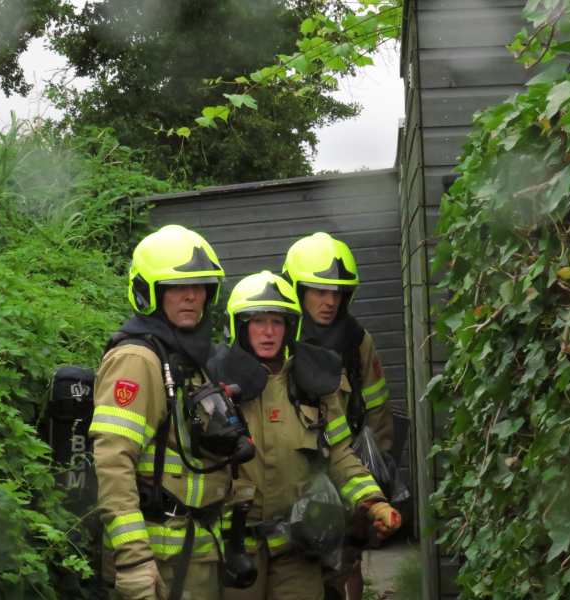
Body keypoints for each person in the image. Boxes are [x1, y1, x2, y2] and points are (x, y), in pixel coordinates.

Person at [207, 271, 401, 600]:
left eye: (277, 322)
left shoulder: (312, 386)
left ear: (290, 328)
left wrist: (373, 503)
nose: (268, 332)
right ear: (240, 326)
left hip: (297, 547)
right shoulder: (213, 387)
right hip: (234, 549)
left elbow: (340, 456)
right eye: (257, 322)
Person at [90, 225, 253, 600]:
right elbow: (113, 462)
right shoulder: (138, 358)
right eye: (178, 287)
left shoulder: (188, 358)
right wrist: (132, 561)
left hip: (194, 556)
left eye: (200, 286)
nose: (192, 296)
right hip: (155, 564)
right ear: (150, 292)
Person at [282, 232, 395, 600]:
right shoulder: (275, 334)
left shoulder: (356, 341)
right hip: (287, 478)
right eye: (319, 290)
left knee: (345, 567)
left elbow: (377, 410)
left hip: (344, 470)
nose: (330, 301)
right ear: (296, 288)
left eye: (338, 292)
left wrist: (377, 473)